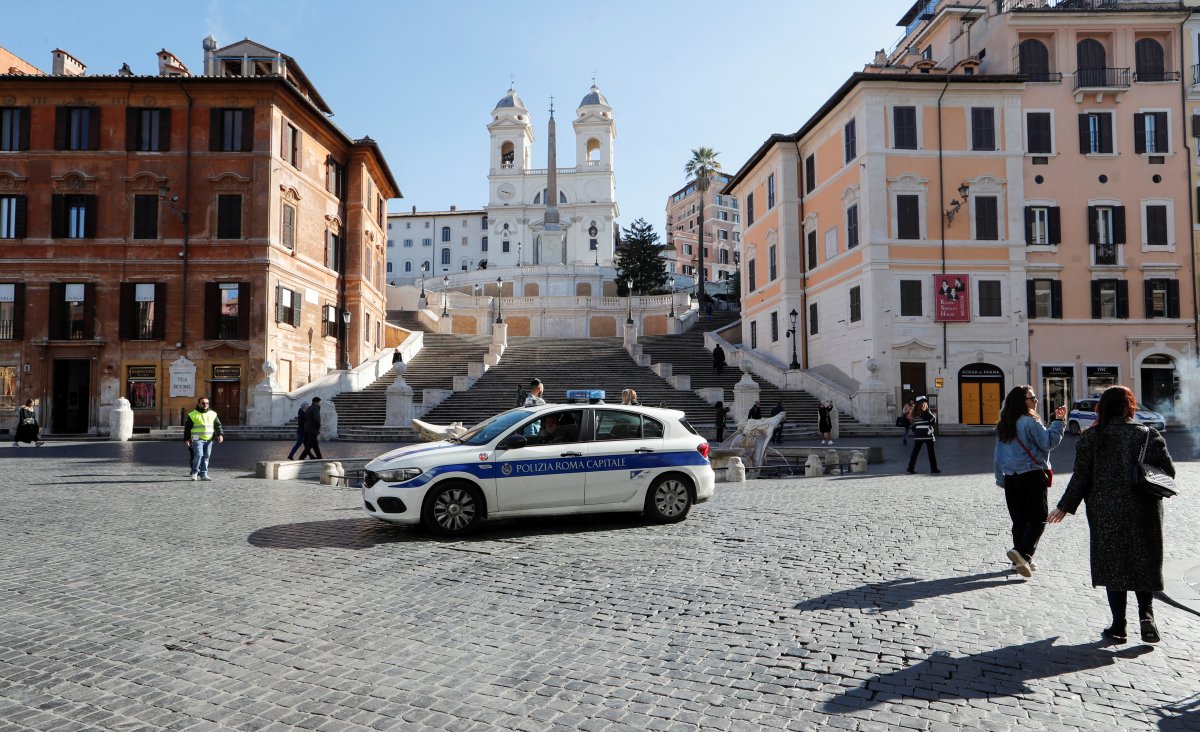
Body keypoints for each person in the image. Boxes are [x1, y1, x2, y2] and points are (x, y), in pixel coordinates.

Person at [1047, 385, 1176, 644]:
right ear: (1130, 406)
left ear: (1101, 408)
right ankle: (1147, 616)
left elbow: (1081, 477)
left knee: (1113, 564)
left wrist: (1063, 506)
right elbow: (1168, 473)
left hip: (1105, 510)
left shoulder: (1091, 437)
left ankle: (1119, 625)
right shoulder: (1148, 435)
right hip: (1144, 509)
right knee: (1143, 562)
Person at [993, 386, 1066, 578]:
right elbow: (1048, 443)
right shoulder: (1030, 422)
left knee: (1020, 520)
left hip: (1011, 478)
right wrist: (1059, 422)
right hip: (1032, 475)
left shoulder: (1005, 424)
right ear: (1021, 401)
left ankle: (1020, 562)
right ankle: (1023, 554)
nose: (1036, 401)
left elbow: (998, 455)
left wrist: (1000, 478)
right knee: (1038, 517)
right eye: (1032, 398)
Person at [184, 397, 223, 481]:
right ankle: (195, 473)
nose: (205, 405)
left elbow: (218, 426)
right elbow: (187, 428)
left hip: (209, 439)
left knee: (206, 457)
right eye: (203, 403)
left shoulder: (213, 414)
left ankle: (204, 474)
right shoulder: (192, 414)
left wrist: (220, 435)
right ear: (198, 404)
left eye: (207, 403)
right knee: (198, 455)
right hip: (197, 439)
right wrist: (187, 439)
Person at [905, 396, 940, 474]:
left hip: (918, 436)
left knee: (915, 453)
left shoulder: (914, 414)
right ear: (923, 404)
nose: (926, 404)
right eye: (925, 403)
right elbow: (933, 420)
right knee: (931, 453)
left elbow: (914, 425)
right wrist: (928, 411)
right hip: (927, 435)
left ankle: (910, 468)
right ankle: (934, 469)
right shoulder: (926, 413)